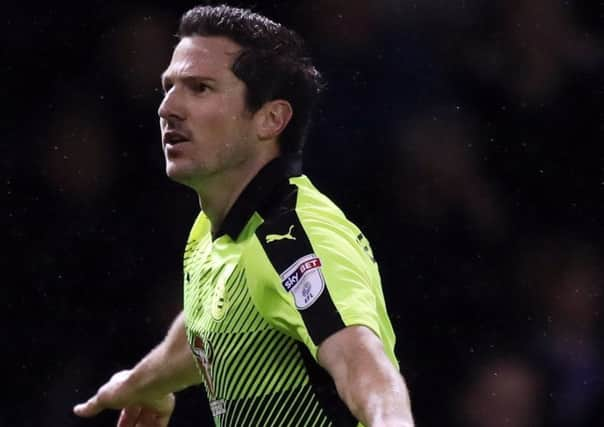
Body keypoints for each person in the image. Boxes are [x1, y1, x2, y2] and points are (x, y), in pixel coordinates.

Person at [73, 4, 414, 426]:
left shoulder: (292, 240)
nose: (168, 108)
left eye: (200, 88)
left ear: (271, 118)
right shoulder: (210, 231)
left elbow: (365, 369)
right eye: (168, 86)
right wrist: (143, 383)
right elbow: (208, 329)